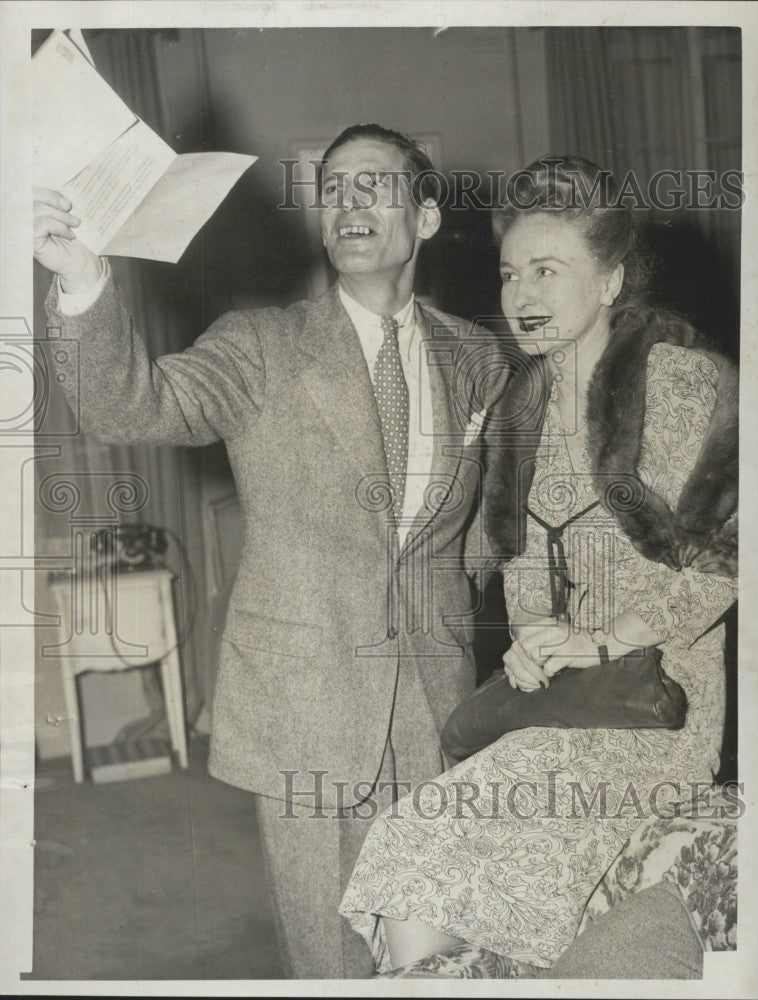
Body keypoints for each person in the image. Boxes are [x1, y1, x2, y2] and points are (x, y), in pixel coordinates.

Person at [33, 123, 510, 978]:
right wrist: (83, 284)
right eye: (333, 189)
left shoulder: (477, 358)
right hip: (303, 702)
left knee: (436, 945)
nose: (348, 204)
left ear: (427, 218)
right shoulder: (261, 346)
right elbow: (135, 407)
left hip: (434, 703)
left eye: (375, 185)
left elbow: (477, 527)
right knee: (329, 958)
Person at [339, 155, 738, 974]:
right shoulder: (517, 410)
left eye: (548, 271)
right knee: (414, 852)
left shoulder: (686, 385)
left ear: (610, 280)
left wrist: (602, 639)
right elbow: (522, 575)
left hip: (654, 708)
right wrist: (529, 642)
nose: (522, 295)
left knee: (421, 844)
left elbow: (728, 557)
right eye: (511, 273)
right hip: (559, 700)